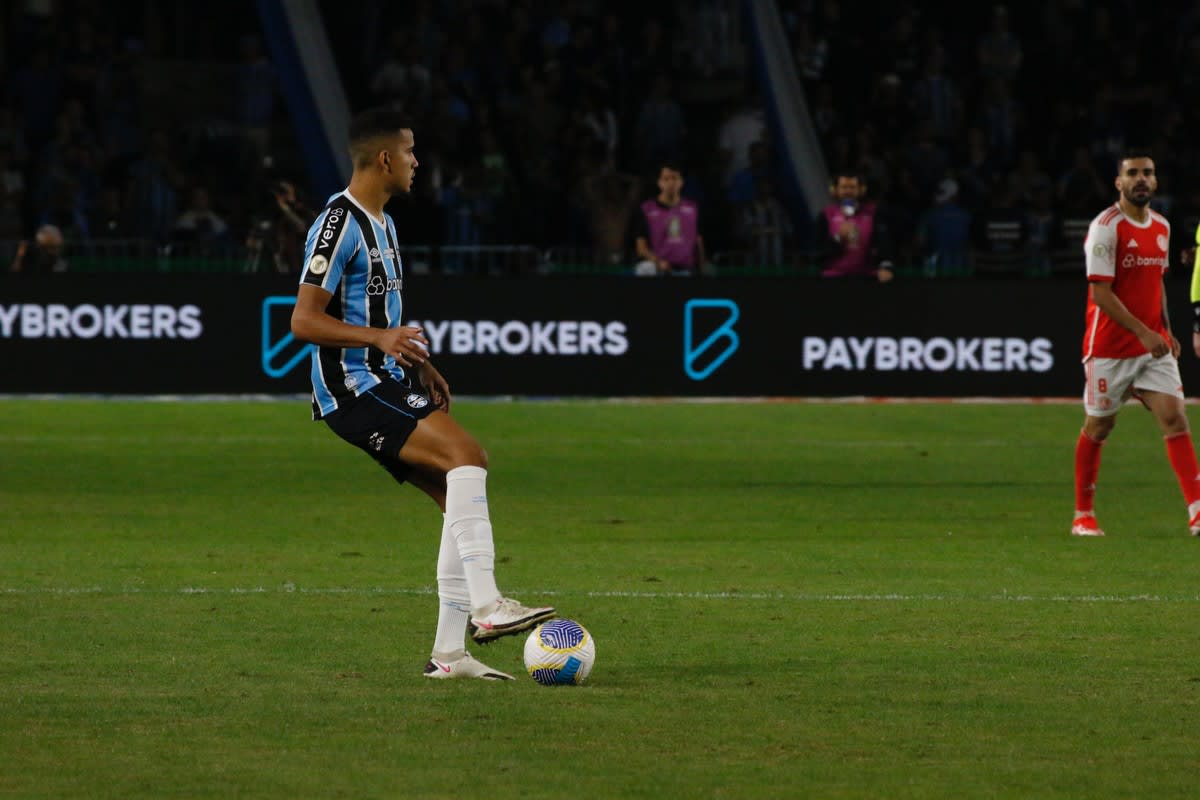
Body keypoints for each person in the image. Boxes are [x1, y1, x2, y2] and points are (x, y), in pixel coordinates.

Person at [290, 109, 556, 679]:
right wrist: (379, 338)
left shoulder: (382, 223)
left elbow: (380, 313)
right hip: (351, 388)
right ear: (384, 158)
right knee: (469, 457)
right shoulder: (337, 223)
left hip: (385, 380)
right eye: (411, 152)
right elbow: (304, 322)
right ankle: (487, 606)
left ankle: (450, 655)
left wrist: (417, 364)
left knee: (451, 496)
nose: (417, 163)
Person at [1072, 153, 1200, 537]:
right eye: (1132, 174)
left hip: (1152, 348)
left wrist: (1164, 328)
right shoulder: (1106, 227)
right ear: (1119, 183)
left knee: (1175, 418)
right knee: (1099, 426)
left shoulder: (1161, 226)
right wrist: (1144, 332)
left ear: (1155, 182)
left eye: (1147, 173)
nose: (1140, 179)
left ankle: (1197, 511)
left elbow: (1156, 281)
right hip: (1110, 347)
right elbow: (1101, 293)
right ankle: (1083, 515)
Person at [813, 171, 893, 281]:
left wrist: (886, 267)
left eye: (852, 187)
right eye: (844, 187)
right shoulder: (826, 215)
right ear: (834, 190)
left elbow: (884, 245)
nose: (848, 191)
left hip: (867, 277)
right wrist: (839, 239)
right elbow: (818, 253)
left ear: (861, 190)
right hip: (832, 278)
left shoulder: (874, 213)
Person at [633, 161, 706, 276]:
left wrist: (702, 268)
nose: (671, 183)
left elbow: (698, 241)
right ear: (659, 182)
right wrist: (658, 262)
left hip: (686, 271)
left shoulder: (692, 209)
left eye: (675, 178)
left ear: (681, 182)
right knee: (645, 268)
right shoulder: (647, 209)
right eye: (666, 179)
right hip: (658, 270)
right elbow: (641, 248)